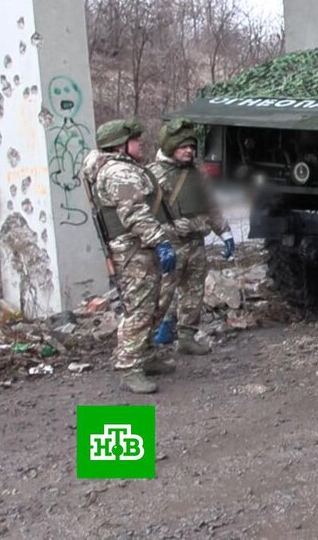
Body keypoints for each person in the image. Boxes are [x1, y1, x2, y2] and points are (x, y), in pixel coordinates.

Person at [81, 118, 177, 394]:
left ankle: (144, 355)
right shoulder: (119, 173)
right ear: (120, 146)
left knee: (152, 301)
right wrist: (160, 241)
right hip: (133, 248)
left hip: (140, 245)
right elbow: (133, 213)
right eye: (135, 140)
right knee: (140, 307)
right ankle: (128, 366)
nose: (141, 143)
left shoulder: (124, 169)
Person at [147, 118, 235, 356]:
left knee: (194, 292)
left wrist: (225, 232)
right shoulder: (153, 175)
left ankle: (186, 335)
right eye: (183, 147)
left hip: (196, 242)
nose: (189, 151)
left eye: (191, 147)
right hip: (170, 245)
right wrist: (160, 241)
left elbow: (211, 206)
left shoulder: (198, 174)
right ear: (170, 147)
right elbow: (146, 215)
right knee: (162, 294)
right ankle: (147, 343)